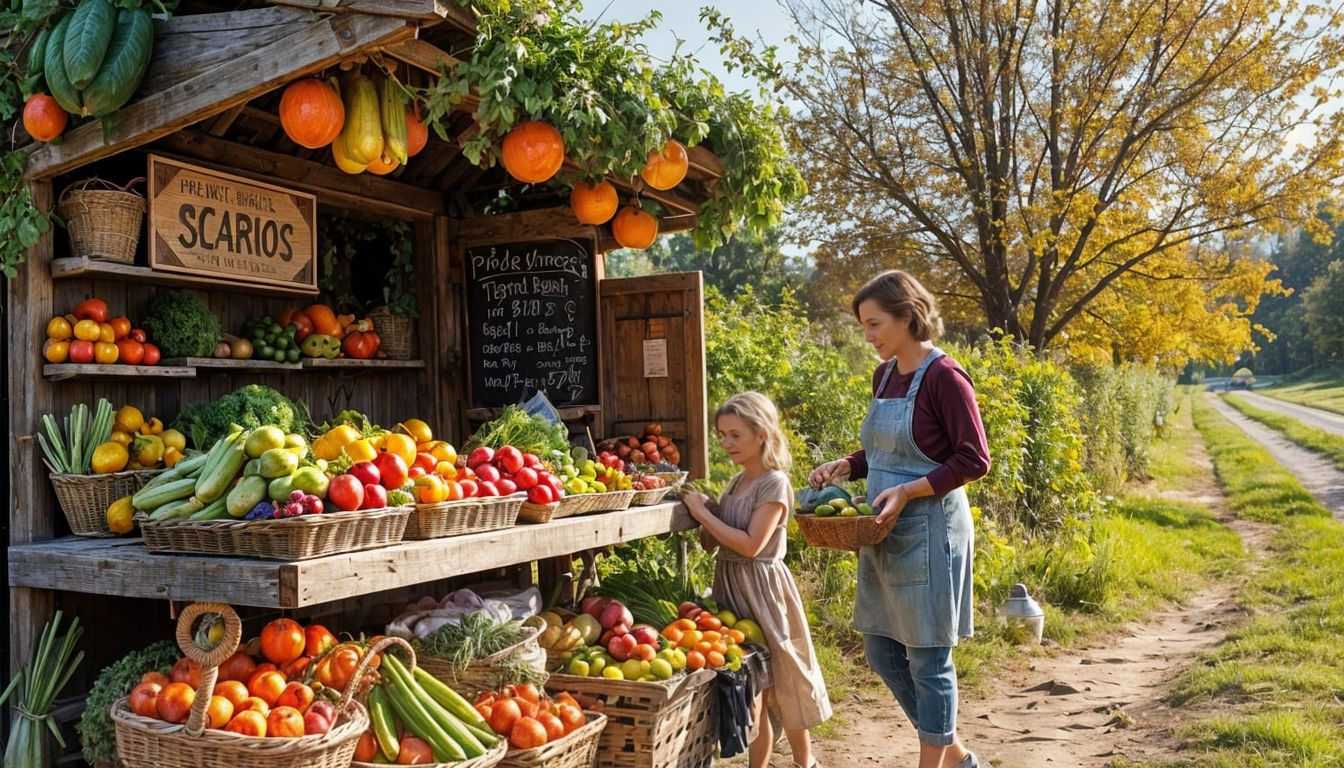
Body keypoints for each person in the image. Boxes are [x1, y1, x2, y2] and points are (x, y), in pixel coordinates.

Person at [810, 271, 991, 768]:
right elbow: (885, 451)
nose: (868, 337)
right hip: (884, 533)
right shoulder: (885, 375)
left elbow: (974, 459)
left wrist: (909, 491)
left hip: (931, 532)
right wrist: (848, 464)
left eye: (874, 324)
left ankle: (932, 762)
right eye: (864, 326)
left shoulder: (945, 377)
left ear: (908, 316)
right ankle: (955, 755)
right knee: (882, 651)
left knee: (929, 660)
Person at [682, 392, 831, 768]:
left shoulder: (773, 483)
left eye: (735, 435)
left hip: (763, 591)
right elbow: (711, 542)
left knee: (783, 684)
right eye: (722, 435)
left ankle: (805, 762)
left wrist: (704, 515)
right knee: (755, 688)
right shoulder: (735, 482)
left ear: (761, 434)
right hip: (731, 588)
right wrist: (708, 513)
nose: (727, 443)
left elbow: (752, 545)